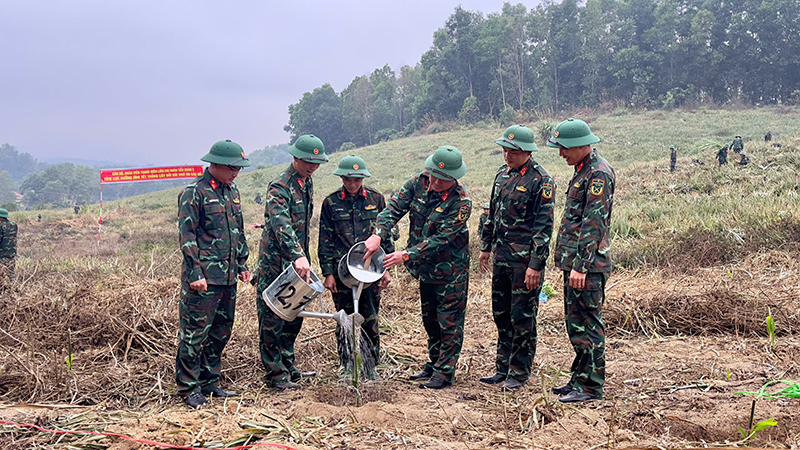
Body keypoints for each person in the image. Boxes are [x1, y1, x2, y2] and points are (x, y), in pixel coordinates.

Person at [364, 146, 471, 389]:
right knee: (430, 319)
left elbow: (441, 239)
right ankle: (434, 363)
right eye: (432, 175)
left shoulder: (462, 202)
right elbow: (392, 209)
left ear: (454, 179)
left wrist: (407, 255)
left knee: (449, 322)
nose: (434, 182)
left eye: (442, 180)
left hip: (450, 272)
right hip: (426, 270)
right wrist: (378, 234)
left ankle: (445, 373)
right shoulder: (417, 183)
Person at [478, 125, 555, 390]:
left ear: (526, 152)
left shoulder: (541, 180)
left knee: (522, 317)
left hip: (524, 264)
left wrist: (536, 265)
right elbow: (492, 214)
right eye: (504, 150)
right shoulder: (501, 175)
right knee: (501, 314)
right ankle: (502, 367)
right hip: (501, 257)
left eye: (512, 151)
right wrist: (486, 247)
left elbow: (543, 228)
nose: (506, 155)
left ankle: (519, 372)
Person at [176, 140, 251, 408]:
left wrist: (242, 263)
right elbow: (187, 236)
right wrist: (195, 272)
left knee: (221, 331)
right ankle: (188, 387)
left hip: (227, 277)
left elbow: (237, 232)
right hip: (203, 279)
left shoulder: (232, 192)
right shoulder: (194, 193)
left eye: (239, 169)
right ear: (215, 164)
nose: (235, 173)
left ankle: (211, 382)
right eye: (231, 168)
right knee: (195, 333)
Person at [546, 118, 615, 403]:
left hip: (587, 266)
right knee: (576, 324)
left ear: (578, 145)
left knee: (588, 323)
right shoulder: (583, 170)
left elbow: (593, 224)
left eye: (564, 148)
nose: (561, 153)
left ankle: (591, 386)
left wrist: (580, 265)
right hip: (576, 263)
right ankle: (579, 378)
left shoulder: (598, 174)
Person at [255, 134, 328, 390]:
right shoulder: (279, 186)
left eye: (317, 163)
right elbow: (281, 223)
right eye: (309, 161)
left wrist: (302, 256)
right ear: (295, 157)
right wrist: (297, 254)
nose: (313, 167)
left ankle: (288, 366)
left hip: (298, 263)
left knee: (293, 316)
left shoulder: (306, 183)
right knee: (273, 318)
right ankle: (275, 375)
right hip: (277, 263)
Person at [318, 155, 393, 380]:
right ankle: (348, 366)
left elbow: (385, 236)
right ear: (342, 177)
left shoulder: (376, 199)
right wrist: (328, 273)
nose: (352, 184)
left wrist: (387, 268)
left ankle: (371, 367)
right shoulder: (331, 203)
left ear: (363, 178)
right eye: (348, 179)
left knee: (370, 319)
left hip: (371, 270)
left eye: (357, 179)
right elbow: (325, 240)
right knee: (345, 319)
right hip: (342, 273)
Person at [0, 209, 17, 283]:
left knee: (2, 274)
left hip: (2, 254)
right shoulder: (14, 224)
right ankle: (12, 289)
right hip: (11, 252)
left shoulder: (1, 226)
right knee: (10, 272)